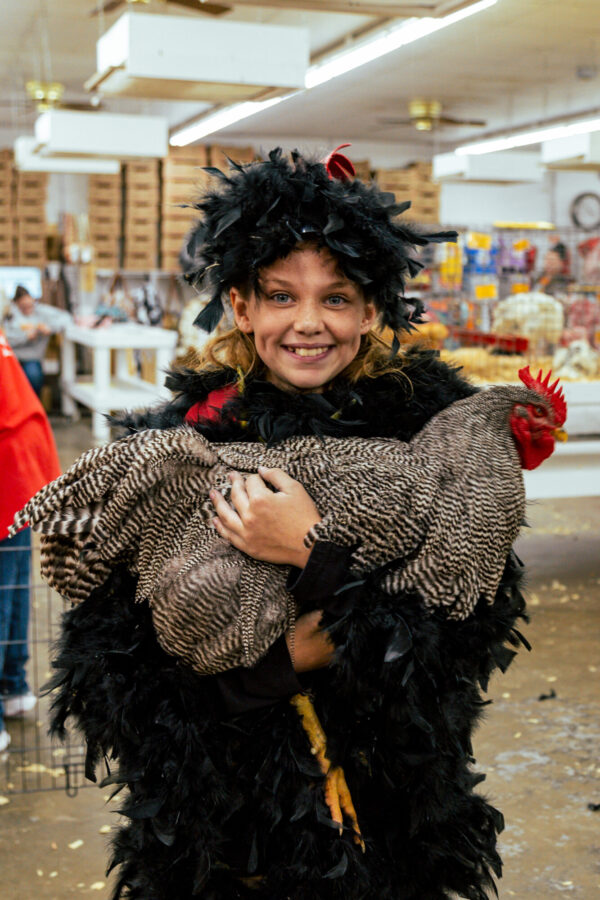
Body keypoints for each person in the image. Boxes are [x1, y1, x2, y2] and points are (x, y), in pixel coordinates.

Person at [44, 148, 528, 899]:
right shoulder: (183, 442)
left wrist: (310, 551)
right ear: (241, 307)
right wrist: (273, 664)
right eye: (280, 297)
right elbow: (111, 669)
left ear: (373, 312)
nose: (309, 323)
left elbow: (459, 637)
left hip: (384, 807)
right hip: (221, 819)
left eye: (336, 299)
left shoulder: (436, 441)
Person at [0, 329, 61, 752]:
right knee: (13, 583)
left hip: (8, 463)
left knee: (4, 589)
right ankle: (14, 687)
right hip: (21, 462)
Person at [2, 285, 71, 397]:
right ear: (17, 304)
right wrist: (25, 336)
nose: (28, 309)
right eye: (24, 307)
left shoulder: (41, 311)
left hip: (32, 358)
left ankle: (32, 407)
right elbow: (6, 338)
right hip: (11, 357)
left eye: (30, 305)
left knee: (34, 376)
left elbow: (67, 318)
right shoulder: (10, 315)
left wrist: (50, 328)